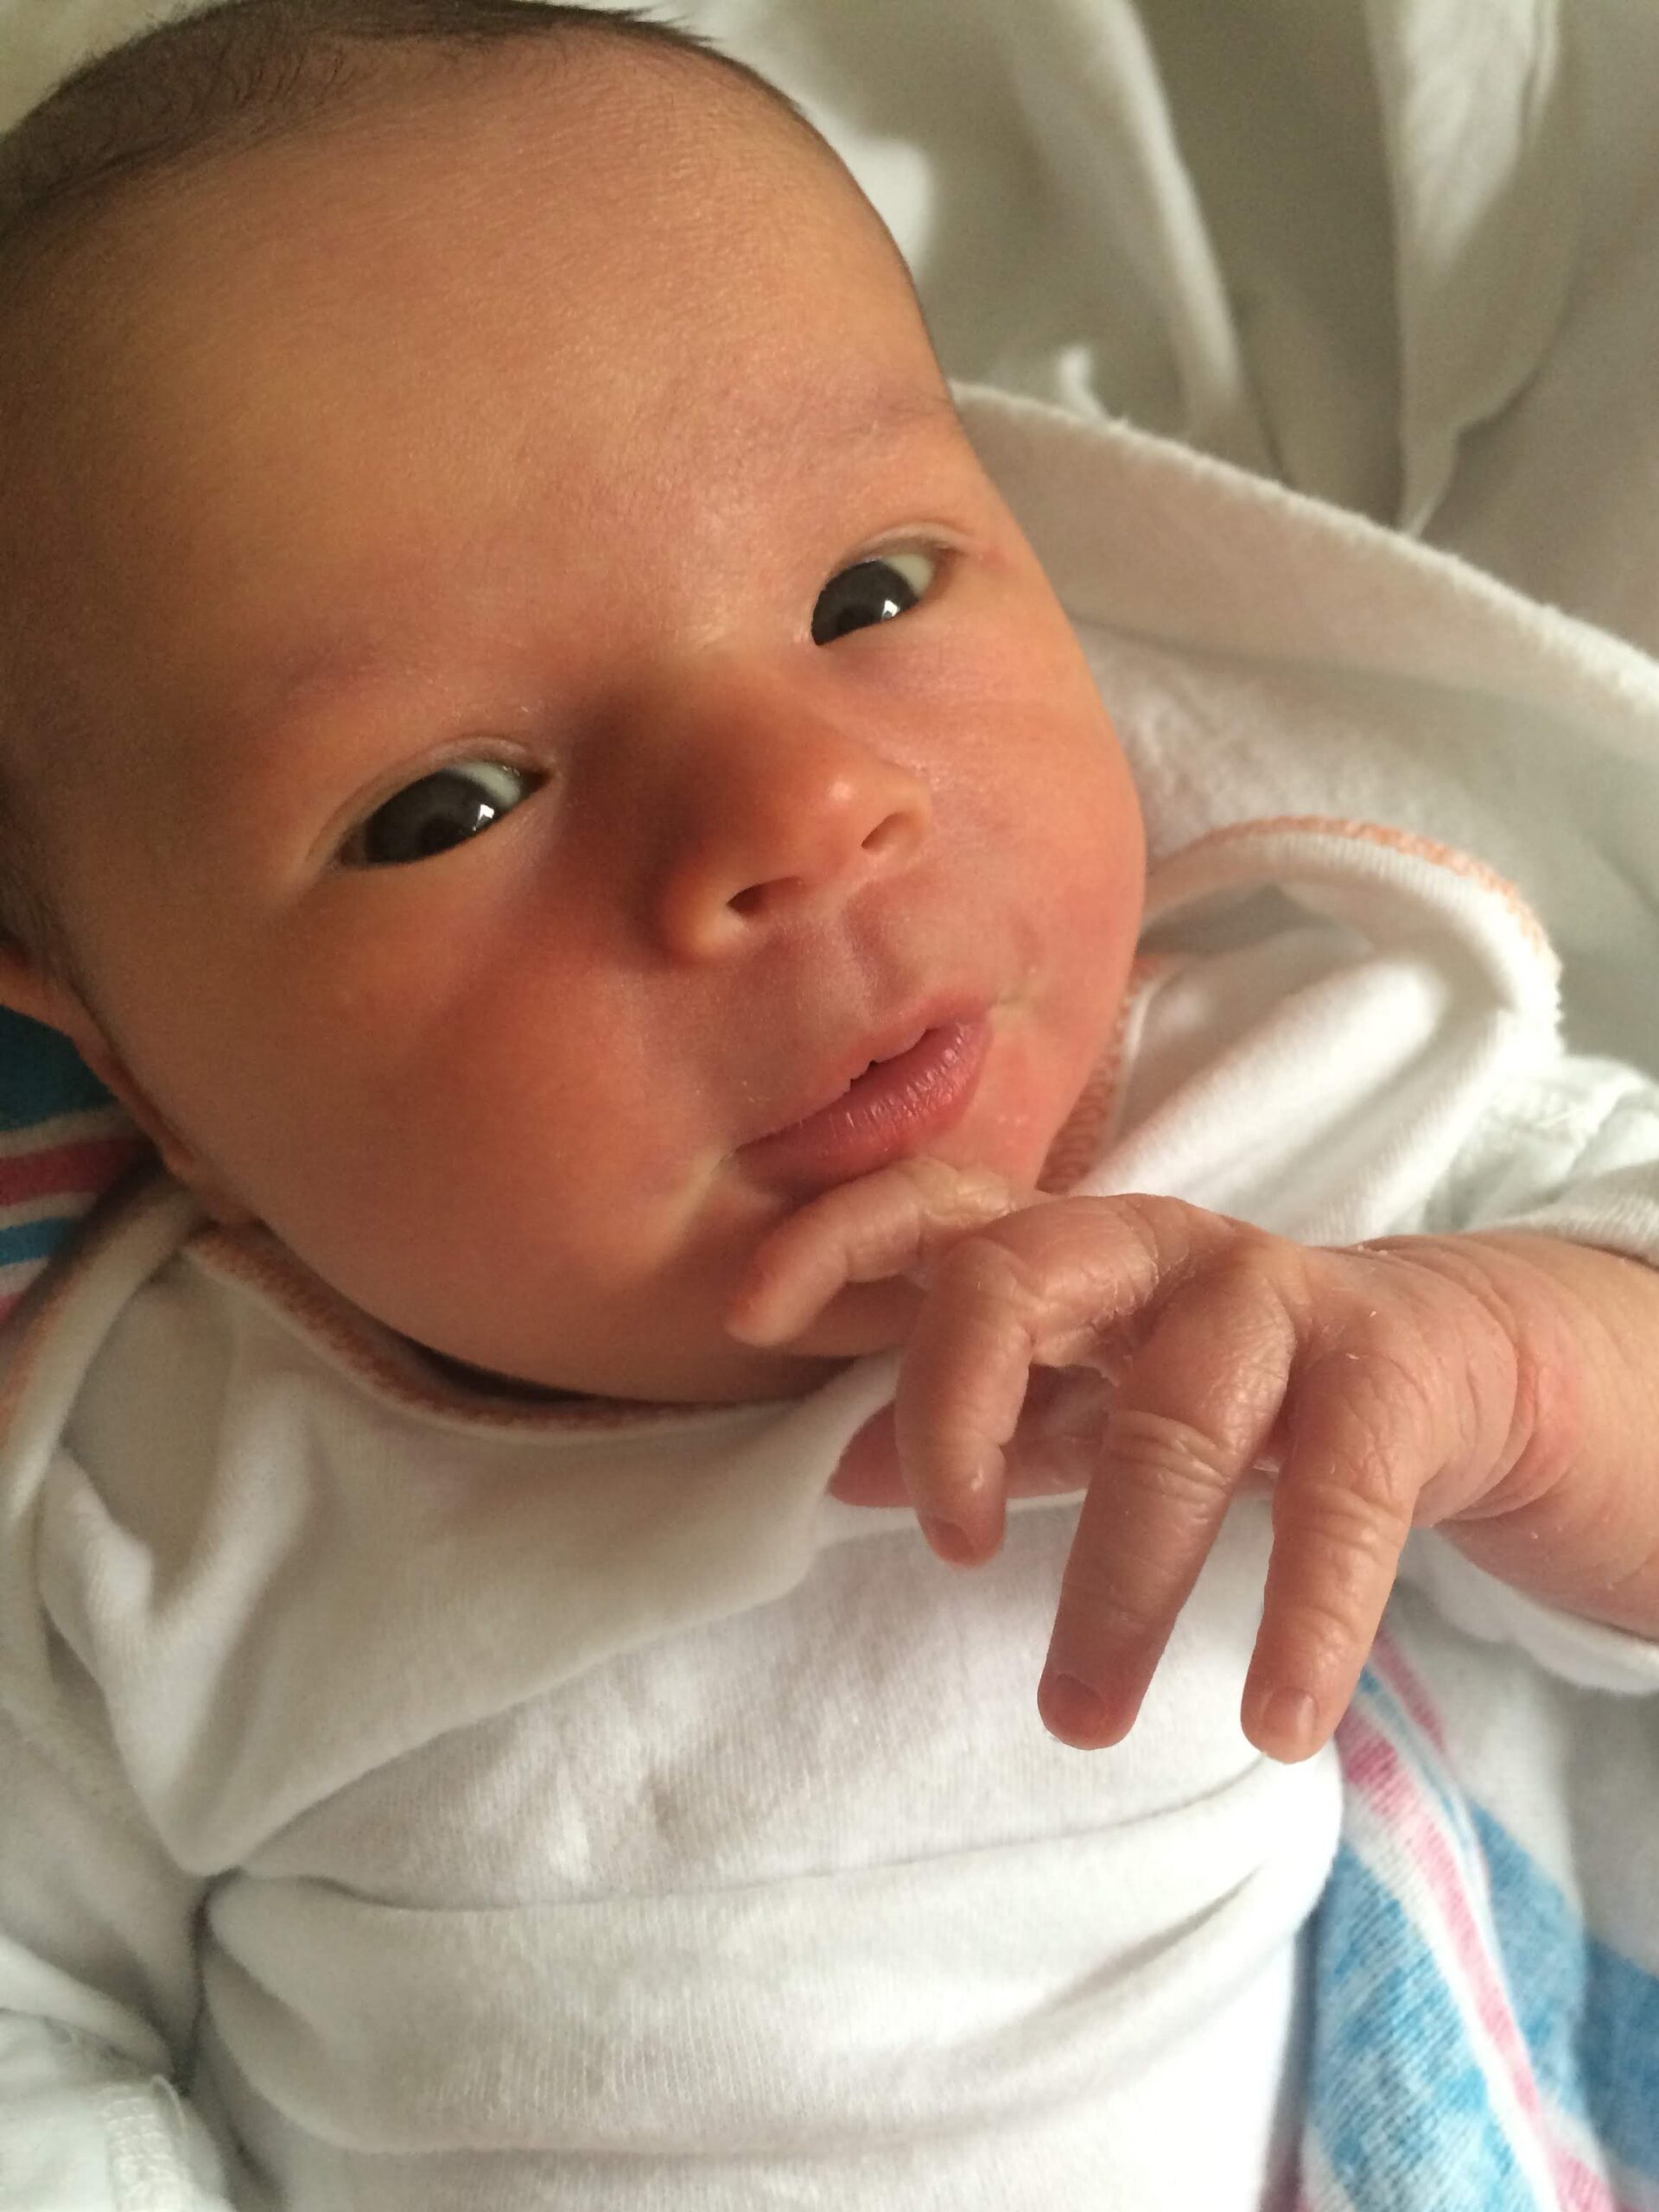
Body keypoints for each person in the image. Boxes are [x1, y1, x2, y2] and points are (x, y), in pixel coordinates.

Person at [1, 3, 1657, 2206]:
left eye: (866, 591)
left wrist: (1502, 1370)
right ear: (148, 1072)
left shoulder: (1308, 1124)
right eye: (448, 802)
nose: (802, 808)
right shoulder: (151, 1503)